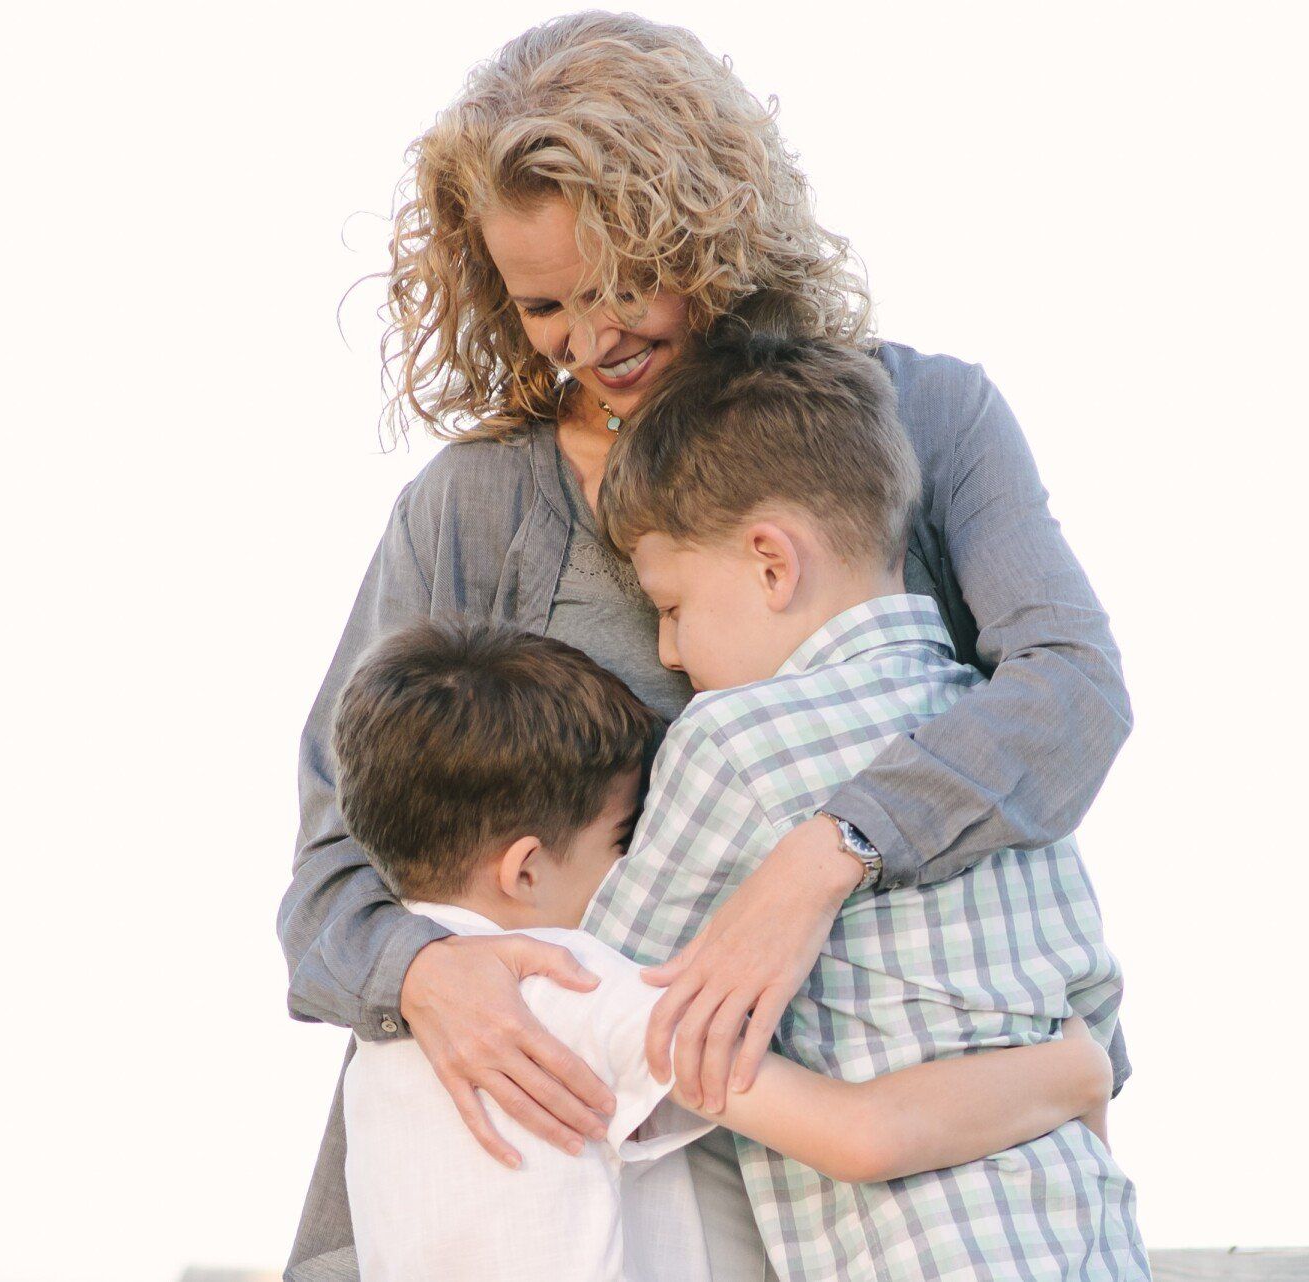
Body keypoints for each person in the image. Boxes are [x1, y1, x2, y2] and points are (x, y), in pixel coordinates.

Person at [278, 15, 1131, 1279]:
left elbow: (1070, 697)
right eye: (545, 305)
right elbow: (334, 867)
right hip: (525, 1160)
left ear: (715, 233)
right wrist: (421, 974)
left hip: (872, 1197)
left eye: (626, 280)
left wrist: (824, 854)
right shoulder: (477, 507)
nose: (590, 338)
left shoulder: (920, 420)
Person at [580, 316, 1146, 1277]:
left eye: (670, 608)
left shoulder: (732, 741)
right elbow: (1094, 1026)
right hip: (1086, 1239)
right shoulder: (997, 753)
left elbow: (606, 993)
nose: (669, 652)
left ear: (772, 561)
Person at [333, 618, 1114, 1282]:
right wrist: (1075, 1072)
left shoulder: (382, 1042)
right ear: (526, 868)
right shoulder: (566, 988)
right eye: (622, 838)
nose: (635, 864)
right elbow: (861, 1135)